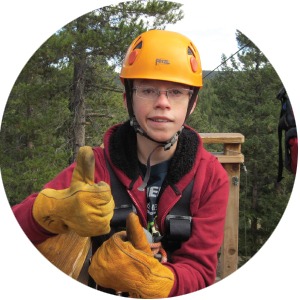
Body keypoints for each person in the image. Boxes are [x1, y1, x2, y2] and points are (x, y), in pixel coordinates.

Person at [12, 29, 229, 298]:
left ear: (192, 102)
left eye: (176, 92)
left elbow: (200, 273)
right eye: (148, 90)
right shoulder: (97, 166)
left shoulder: (210, 177)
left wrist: (154, 280)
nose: (162, 102)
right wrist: (49, 211)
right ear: (128, 97)